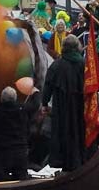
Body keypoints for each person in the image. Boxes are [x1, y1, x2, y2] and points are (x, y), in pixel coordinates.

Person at [0, 86, 41, 180]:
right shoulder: (22, 109)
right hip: (21, 151)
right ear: (15, 98)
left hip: (3, 152)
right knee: (22, 179)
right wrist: (36, 93)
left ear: (1, 98)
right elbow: (35, 105)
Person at [42, 35, 85, 172]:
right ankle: (81, 160)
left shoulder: (57, 65)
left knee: (64, 132)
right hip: (80, 105)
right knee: (79, 130)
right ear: (77, 47)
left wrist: (44, 103)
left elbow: (47, 85)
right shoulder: (83, 64)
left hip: (62, 107)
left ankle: (65, 163)